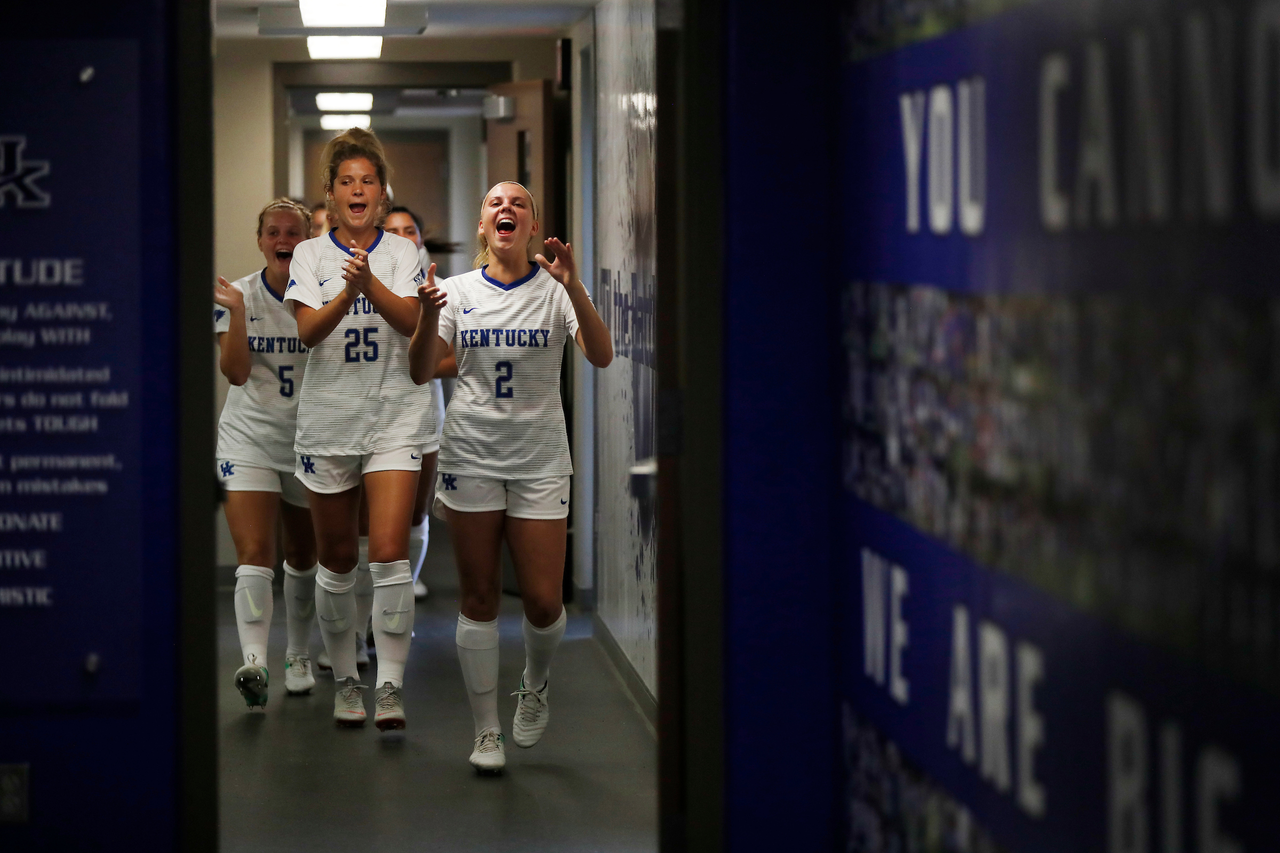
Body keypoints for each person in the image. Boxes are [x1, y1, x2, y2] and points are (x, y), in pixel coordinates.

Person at [408, 181, 613, 773]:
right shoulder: (454, 291)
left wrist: (575, 285)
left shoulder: (557, 289)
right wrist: (426, 316)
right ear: (482, 226)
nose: (506, 209)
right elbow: (422, 370)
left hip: (540, 458)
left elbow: (599, 354)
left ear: (531, 227)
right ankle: (486, 730)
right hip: (471, 454)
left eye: (519, 204)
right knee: (478, 597)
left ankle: (536, 680)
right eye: (496, 203)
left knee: (545, 601)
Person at [284, 128, 438, 731]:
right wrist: (346, 293)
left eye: (367, 181)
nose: (357, 189)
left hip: (397, 416)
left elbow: (410, 322)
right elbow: (307, 332)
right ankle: (347, 678)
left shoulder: (404, 253)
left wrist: (368, 281)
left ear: (382, 192)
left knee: (391, 555)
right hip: (329, 420)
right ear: (330, 192)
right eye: (346, 181)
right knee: (339, 559)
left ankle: (391, 689)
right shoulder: (309, 255)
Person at [213, 198, 319, 708]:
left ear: (307, 241)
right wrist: (235, 315)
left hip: (309, 439)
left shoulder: (325, 295)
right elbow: (234, 372)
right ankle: (254, 663)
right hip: (249, 437)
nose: (283, 240)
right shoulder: (237, 295)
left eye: (294, 232)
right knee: (255, 553)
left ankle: (298, 653)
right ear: (260, 241)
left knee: (302, 555)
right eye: (274, 232)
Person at [384, 204, 447, 599]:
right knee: (373, 521)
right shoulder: (357, 280)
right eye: (393, 230)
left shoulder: (441, 290)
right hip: (371, 409)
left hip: (422, 405)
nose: (403, 237)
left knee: (416, 511)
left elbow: (455, 355)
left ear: (420, 240)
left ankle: (400, 597)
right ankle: (363, 621)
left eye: (411, 230)